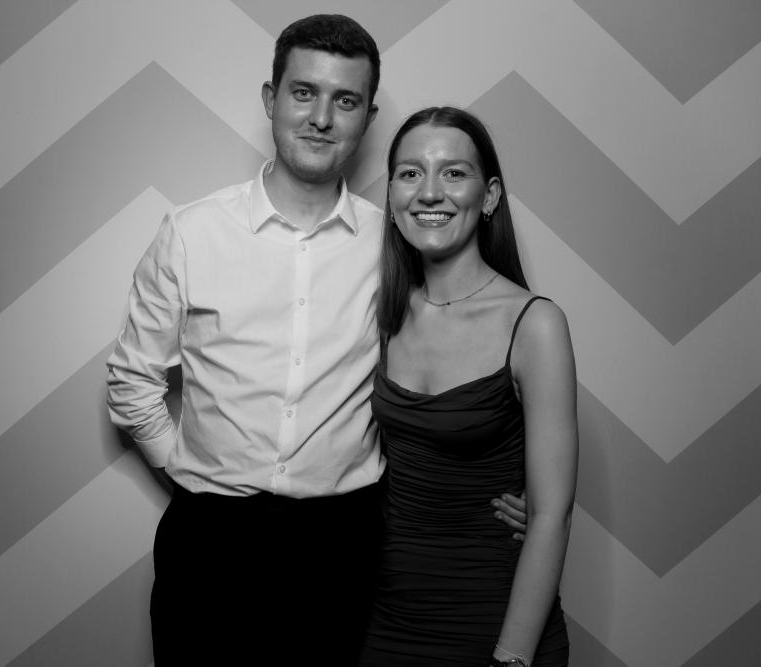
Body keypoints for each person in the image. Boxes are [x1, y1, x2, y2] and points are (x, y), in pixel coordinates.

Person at [106, 15, 527, 666]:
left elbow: (460, 361)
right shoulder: (191, 234)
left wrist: (500, 492)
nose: (322, 118)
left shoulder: (398, 243)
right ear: (271, 100)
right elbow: (132, 383)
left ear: (368, 118)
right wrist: (190, 480)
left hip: (343, 545)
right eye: (304, 93)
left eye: (346, 100)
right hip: (208, 543)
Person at [358, 107, 577, 667]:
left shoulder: (535, 324)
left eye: (454, 173)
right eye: (410, 173)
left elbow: (550, 515)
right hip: (388, 622)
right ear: (392, 196)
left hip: (496, 621)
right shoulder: (382, 314)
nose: (430, 192)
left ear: (490, 196)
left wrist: (511, 659)